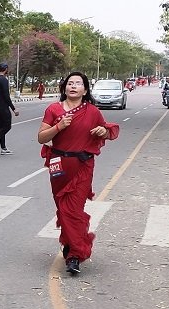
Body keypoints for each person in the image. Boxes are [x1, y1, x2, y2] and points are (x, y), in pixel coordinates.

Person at [36, 71, 119, 275]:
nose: (73, 86)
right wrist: (58, 126)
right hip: (58, 164)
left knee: (73, 209)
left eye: (78, 83)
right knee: (62, 209)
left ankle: (74, 255)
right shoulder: (53, 109)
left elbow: (107, 131)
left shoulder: (92, 111)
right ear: (64, 87)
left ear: (85, 89)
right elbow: (41, 137)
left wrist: (103, 131)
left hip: (82, 165)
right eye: (70, 83)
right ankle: (70, 242)